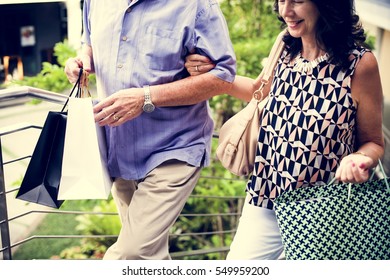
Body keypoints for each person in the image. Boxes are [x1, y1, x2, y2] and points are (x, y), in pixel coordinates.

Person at [185, 0, 385, 259]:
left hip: (322, 212)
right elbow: (259, 91)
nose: (285, 11)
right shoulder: (286, 45)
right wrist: (214, 74)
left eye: (298, 1)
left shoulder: (359, 65)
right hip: (266, 194)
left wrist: (360, 158)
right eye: (281, 1)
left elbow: (374, 142)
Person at [64, 0, 236, 260]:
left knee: (129, 255)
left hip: (175, 147)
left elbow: (223, 76)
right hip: (119, 150)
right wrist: (82, 61)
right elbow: (89, 43)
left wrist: (145, 97)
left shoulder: (196, 5)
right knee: (149, 259)